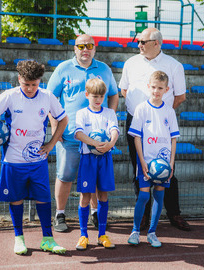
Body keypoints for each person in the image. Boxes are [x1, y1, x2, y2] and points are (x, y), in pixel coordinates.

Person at [0, 60, 69, 255]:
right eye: (26, 84)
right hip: (13, 160)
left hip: (38, 161)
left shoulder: (47, 97)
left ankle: (48, 239)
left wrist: (51, 144)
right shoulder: (9, 96)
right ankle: (19, 238)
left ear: (40, 81)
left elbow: (63, 119)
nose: (30, 88)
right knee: (16, 199)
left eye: (34, 84)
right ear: (19, 79)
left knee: (43, 198)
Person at [119, 27, 190, 231]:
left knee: (167, 168)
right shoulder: (130, 63)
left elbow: (180, 96)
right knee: (139, 168)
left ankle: (174, 214)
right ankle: (144, 215)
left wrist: (160, 114)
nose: (139, 45)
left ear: (157, 43)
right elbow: (124, 90)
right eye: (138, 41)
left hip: (162, 123)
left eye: (143, 42)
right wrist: (143, 115)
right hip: (136, 122)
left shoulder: (174, 66)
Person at [47, 34, 119, 232]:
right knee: (65, 175)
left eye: (89, 46)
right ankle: (60, 215)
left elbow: (114, 94)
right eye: (81, 46)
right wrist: (55, 126)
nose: (85, 49)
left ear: (95, 48)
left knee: (94, 178)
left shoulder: (104, 69)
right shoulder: (63, 69)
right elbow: (50, 98)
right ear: (75, 49)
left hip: (98, 140)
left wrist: (109, 117)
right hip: (70, 136)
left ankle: (95, 213)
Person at [127, 71, 179, 247]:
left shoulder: (169, 111)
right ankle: (135, 230)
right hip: (146, 163)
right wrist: (141, 161)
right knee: (143, 196)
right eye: (154, 87)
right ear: (148, 87)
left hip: (163, 163)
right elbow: (136, 137)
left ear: (167, 89)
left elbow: (173, 139)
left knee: (159, 195)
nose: (156, 91)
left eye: (160, 88)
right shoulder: (141, 109)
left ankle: (152, 232)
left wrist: (171, 164)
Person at [74, 78, 119, 250]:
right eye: (94, 96)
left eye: (101, 96)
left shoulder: (109, 112)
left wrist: (110, 143)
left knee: (103, 196)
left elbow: (114, 130)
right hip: (88, 158)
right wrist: (93, 143)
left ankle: (102, 235)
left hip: (105, 158)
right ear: (87, 95)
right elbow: (78, 134)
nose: (98, 99)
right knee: (85, 196)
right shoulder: (81, 113)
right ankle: (83, 235)